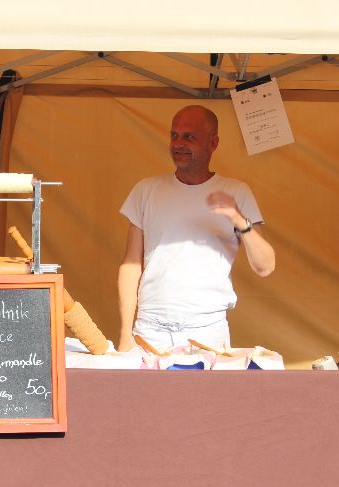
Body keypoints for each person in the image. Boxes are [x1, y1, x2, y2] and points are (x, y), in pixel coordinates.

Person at [117, 105, 275, 352]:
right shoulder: (146, 190)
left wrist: (238, 218)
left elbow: (265, 266)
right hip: (150, 330)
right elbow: (130, 265)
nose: (178, 144)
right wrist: (125, 334)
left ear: (213, 143)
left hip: (207, 331)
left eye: (189, 137)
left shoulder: (237, 192)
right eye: (174, 135)